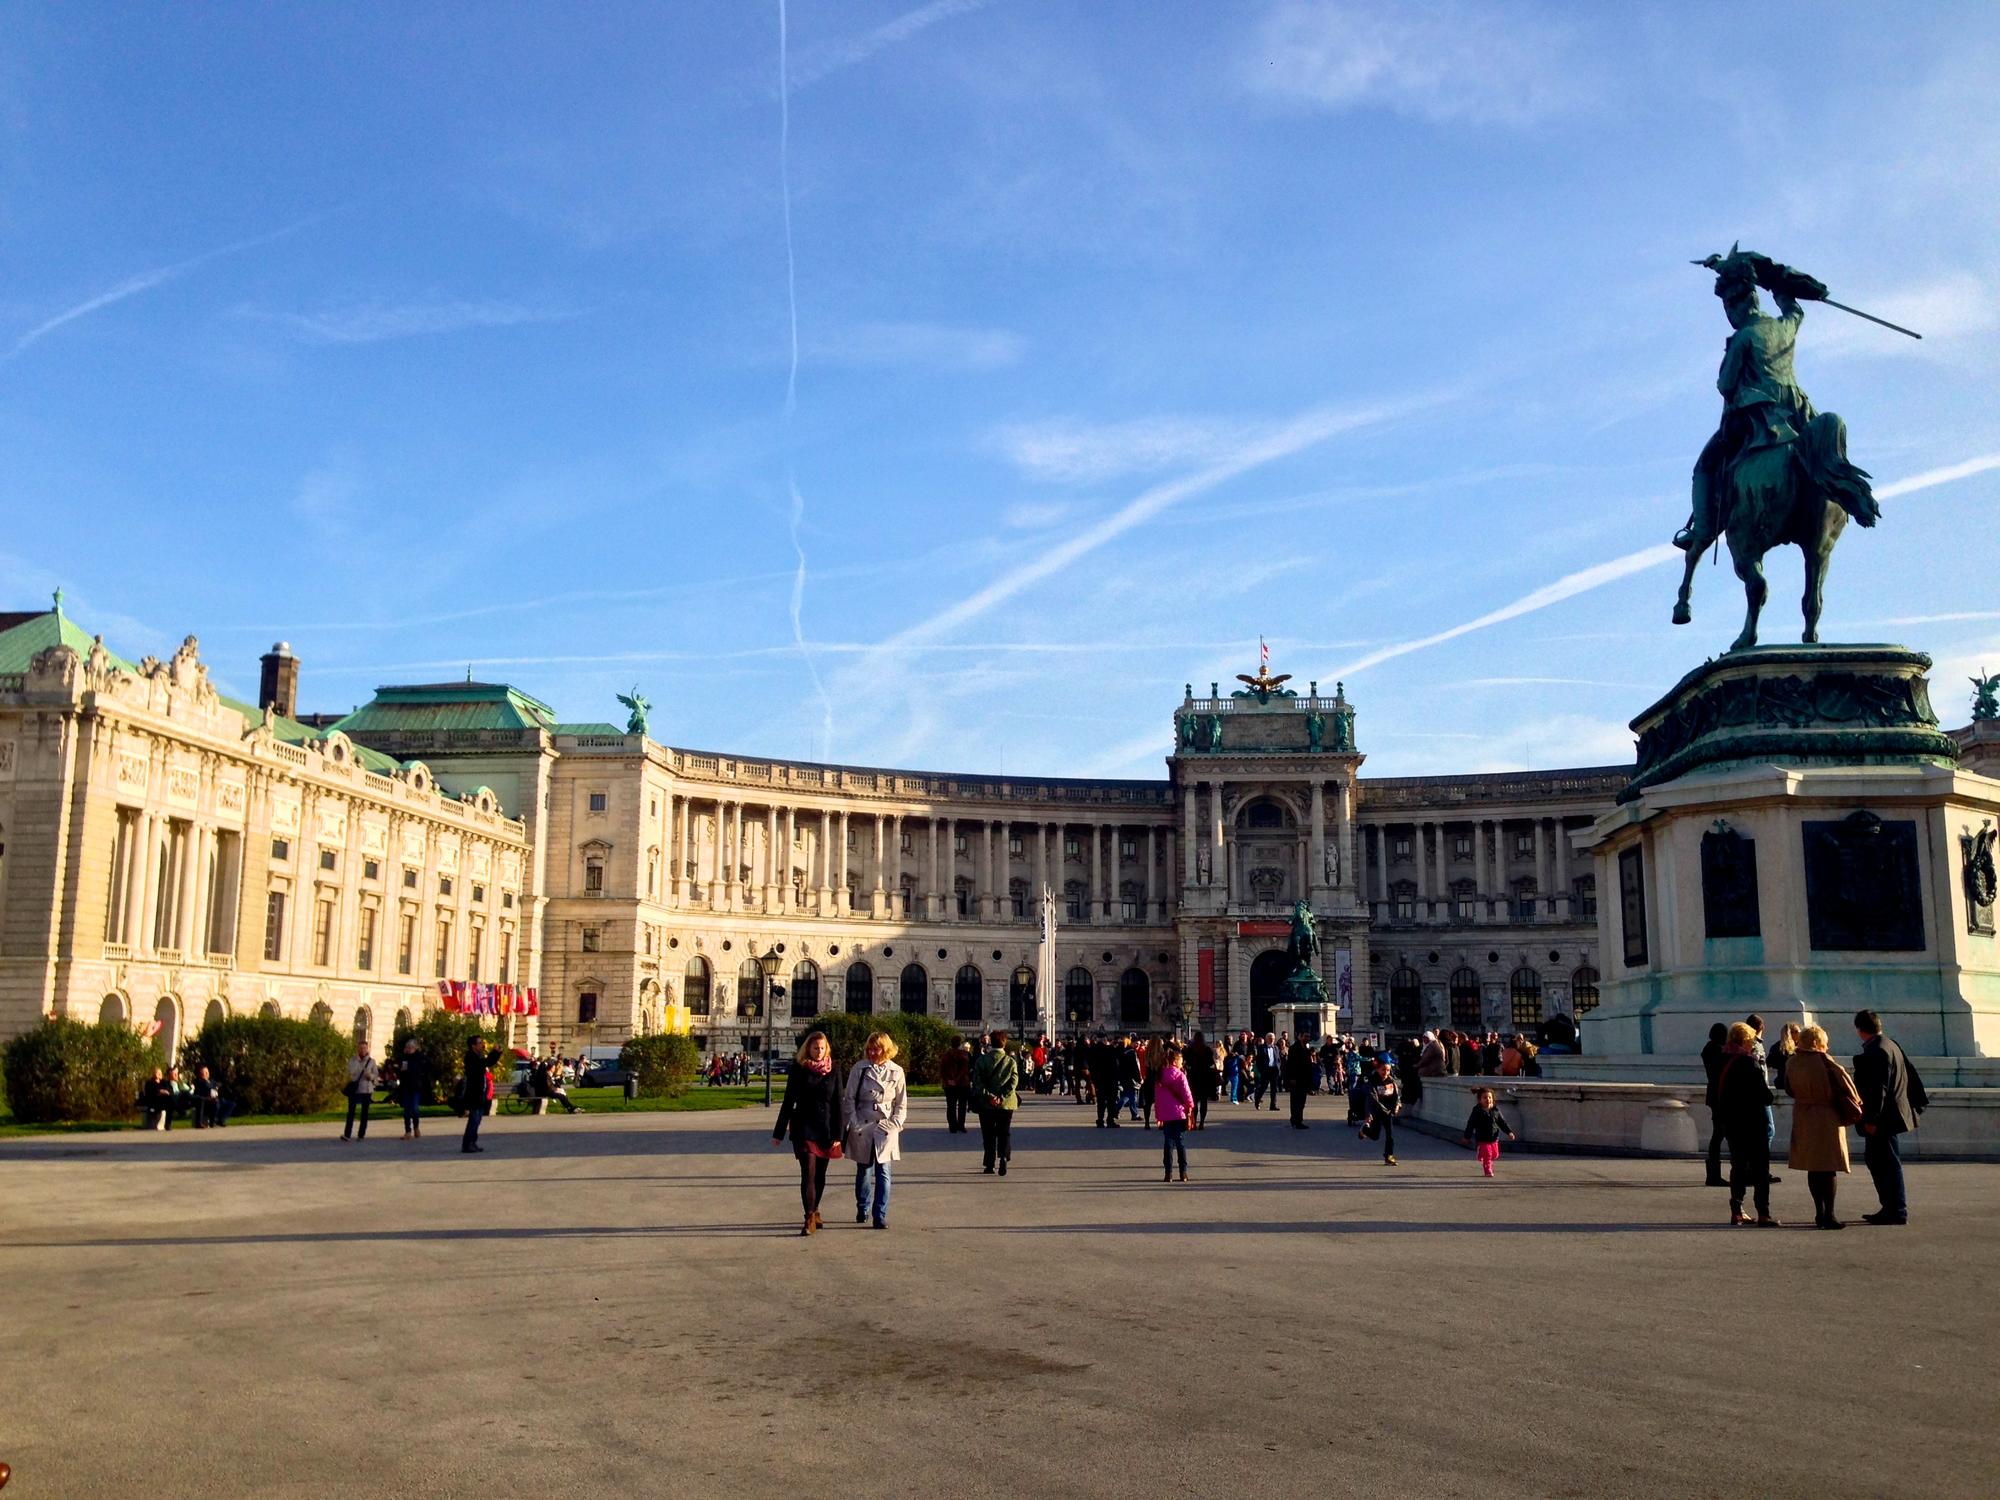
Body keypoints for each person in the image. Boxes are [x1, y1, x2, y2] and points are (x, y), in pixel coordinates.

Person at [1784, 1025, 1861, 1230]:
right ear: (1819, 1042)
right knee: (1828, 1167)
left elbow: (1789, 1088)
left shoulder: (1792, 1062)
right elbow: (1851, 1092)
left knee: (1813, 1166)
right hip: (1826, 1117)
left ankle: (1819, 1211)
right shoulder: (1826, 1062)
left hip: (1803, 1115)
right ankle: (1830, 1213)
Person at [1853, 1009, 1925, 1226]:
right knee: (1880, 1160)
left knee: (1885, 1162)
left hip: (1883, 1119)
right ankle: (1891, 1206)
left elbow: (1878, 1089)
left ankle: (1895, 1208)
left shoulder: (1877, 1051)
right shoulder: (1890, 1044)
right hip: (1894, 1114)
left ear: (1859, 1030)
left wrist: (1872, 1120)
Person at [771, 1031, 843, 1235]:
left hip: (826, 1129)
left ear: (826, 1049)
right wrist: (778, 1133)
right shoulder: (798, 1069)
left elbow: (839, 1103)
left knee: (820, 1174)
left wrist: (839, 1134)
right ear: (808, 1049)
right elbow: (788, 1101)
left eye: (822, 1048)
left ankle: (816, 1209)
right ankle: (809, 1216)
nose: (818, 1052)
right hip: (804, 1127)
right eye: (815, 1048)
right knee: (808, 1172)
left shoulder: (834, 1070)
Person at [842, 1031, 907, 1230]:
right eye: (869, 1048)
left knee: (884, 1171)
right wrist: (853, 1122)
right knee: (864, 1169)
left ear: (885, 1049)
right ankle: (862, 1208)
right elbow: (849, 1098)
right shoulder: (859, 1069)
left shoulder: (896, 1071)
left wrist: (896, 1123)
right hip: (863, 1122)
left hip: (885, 1126)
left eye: (876, 1048)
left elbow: (901, 1102)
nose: (872, 1052)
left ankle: (880, 1214)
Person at [1716, 1022, 1779, 1226]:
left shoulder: (1723, 1061)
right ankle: (1763, 1212)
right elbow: (1765, 1096)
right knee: (1760, 1168)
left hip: (1732, 1122)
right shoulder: (1748, 1063)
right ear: (1745, 1040)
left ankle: (1737, 1209)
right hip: (1753, 1122)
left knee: (1738, 1166)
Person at [971, 1028, 1020, 1176]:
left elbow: (977, 1082)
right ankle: (1004, 1157)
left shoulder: (982, 1060)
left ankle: (989, 1164)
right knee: (1004, 1132)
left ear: (990, 1042)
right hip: (1006, 1104)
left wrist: (989, 1096)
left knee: (988, 1134)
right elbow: (1014, 1081)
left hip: (986, 1104)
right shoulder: (1010, 1061)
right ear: (1004, 1044)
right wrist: (1002, 1096)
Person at [1153, 1041, 1194, 1182]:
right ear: (1175, 1062)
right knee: (1181, 1143)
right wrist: (1190, 1106)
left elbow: (1157, 1099)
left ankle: (1168, 1173)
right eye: (1181, 1060)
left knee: (1168, 1143)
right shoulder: (1180, 1075)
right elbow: (1187, 1094)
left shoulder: (1160, 1076)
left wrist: (1158, 1115)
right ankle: (1183, 1172)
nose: (1182, 1063)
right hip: (1180, 1113)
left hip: (1166, 1114)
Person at [1461, 1087, 1517, 1177]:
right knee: (1488, 1155)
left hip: (1494, 1138)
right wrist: (1467, 1136)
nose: (1488, 1100)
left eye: (1490, 1097)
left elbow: (1502, 1123)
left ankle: (1481, 1153)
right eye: (1485, 1098)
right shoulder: (1477, 1111)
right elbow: (1471, 1124)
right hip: (1482, 1138)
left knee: (1495, 1155)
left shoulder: (1495, 1110)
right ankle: (1488, 1170)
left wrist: (1509, 1132)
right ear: (1480, 1100)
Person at [1700, 1022, 1729, 1187]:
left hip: (1713, 1095)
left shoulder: (1708, 1049)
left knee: (1718, 1134)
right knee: (1720, 1134)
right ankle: (1714, 1174)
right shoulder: (1718, 1051)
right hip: (1720, 1096)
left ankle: (1713, 1173)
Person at [1360, 1054, 1400, 1166]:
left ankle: (1389, 1156)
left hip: (1389, 1112)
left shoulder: (1391, 1081)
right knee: (1375, 1136)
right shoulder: (1372, 1081)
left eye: (1388, 1070)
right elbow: (1372, 1098)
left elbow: (1397, 1096)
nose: (1385, 1073)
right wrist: (1369, 1114)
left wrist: (1396, 1106)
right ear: (1377, 1069)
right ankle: (1365, 1130)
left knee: (1390, 1135)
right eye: (1383, 1070)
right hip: (1377, 1111)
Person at [460, 1037, 494, 1154]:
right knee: (474, 1120)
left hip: (480, 1093)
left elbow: (487, 1062)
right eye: (480, 1043)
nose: (482, 1045)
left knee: (477, 1119)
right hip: (474, 1094)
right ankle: (467, 1144)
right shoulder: (471, 1057)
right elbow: (484, 1063)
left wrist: (496, 1053)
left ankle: (472, 1142)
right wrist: (494, 1052)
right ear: (473, 1046)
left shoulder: (477, 1056)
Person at [342, 1042, 379, 1142]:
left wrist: (370, 1076)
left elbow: (376, 1075)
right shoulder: (352, 1060)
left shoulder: (371, 1061)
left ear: (367, 1049)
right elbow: (350, 1072)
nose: (363, 1050)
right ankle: (347, 1134)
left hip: (366, 1090)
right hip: (355, 1089)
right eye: (361, 1048)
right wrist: (359, 1063)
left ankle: (361, 1134)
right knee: (351, 1112)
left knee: (364, 1113)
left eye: (364, 1048)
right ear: (357, 1049)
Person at [394, 1039, 428, 1140]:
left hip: (416, 1086)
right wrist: (400, 1069)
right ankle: (408, 1131)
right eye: (407, 1048)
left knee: (414, 1108)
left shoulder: (420, 1058)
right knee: (406, 1110)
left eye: (411, 1048)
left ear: (415, 1048)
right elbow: (400, 1071)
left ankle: (416, 1127)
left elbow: (424, 1069)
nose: (409, 1049)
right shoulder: (404, 1058)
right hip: (406, 1086)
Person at [1184, 1031, 1218, 1130]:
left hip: (1193, 1077)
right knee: (1204, 1101)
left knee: (1194, 1101)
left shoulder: (1190, 1049)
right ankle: (1202, 1122)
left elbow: (1187, 1063)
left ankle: (1194, 1122)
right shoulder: (1207, 1049)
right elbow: (1211, 1063)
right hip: (1205, 1077)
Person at [940, 1038, 973, 1134]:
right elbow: (965, 1069)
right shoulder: (964, 1055)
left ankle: (952, 1126)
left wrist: (948, 1080)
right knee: (962, 1105)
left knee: (951, 1106)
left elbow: (942, 1070)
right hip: (962, 1083)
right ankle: (961, 1125)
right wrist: (957, 1079)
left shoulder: (946, 1055)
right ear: (960, 1044)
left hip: (949, 1084)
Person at [1284, 1033, 1314, 1129]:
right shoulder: (1294, 1048)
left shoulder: (1306, 1049)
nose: (1307, 1038)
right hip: (1296, 1079)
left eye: (1308, 1036)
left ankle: (1298, 1119)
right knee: (1295, 1101)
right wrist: (1291, 1078)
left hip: (1304, 1079)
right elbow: (1290, 1064)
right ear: (1300, 1037)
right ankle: (1296, 1120)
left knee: (1302, 1101)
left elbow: (1309, 1065)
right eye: (1305, 1036)